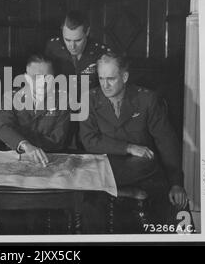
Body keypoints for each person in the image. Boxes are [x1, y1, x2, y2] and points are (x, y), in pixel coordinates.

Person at [80, 51, 188, 231]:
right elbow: (89, 141)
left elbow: (166, 141)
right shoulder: (89, 99)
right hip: (105, 168)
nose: (105, 85)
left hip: (143, 171)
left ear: (124, 76)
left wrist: (176, 183)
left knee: (171, 206)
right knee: (89, 207)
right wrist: (128, 147)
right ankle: (121, 192)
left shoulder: (147, 99)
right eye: (101, 78)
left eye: (111, 79)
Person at [44, 10, 111, 150]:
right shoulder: (52, 47)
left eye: (78, 40)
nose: (72, 46)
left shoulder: (101, 52)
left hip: (90, 113)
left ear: (87, 32)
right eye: (67, 40)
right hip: (61, 113)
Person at [0, 54, 70, 165]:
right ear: (26, 78)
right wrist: (25, 145)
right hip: (16, 157)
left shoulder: (63, 99)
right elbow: (2, 128)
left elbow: (58, 139)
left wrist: (24, 141)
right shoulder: (10, 97)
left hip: (49, 158)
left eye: (47, 77)